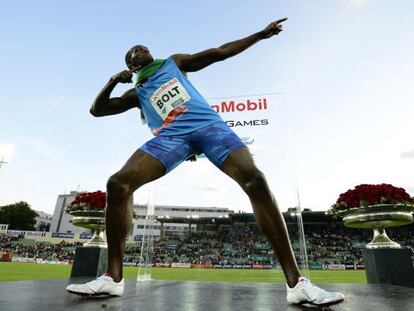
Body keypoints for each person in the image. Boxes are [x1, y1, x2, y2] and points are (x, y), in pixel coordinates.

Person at [66, 18, 344, 307]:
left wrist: (260, 35)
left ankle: (296, 283)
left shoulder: (173, 63)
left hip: (209, 127)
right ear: (132, 66)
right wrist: (113, 81)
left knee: (256, 181)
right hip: (172, 137)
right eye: (136, 51)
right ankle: (113, 278)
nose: (143, 49)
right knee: (118, 184)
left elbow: (220, 52)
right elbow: (96, 110)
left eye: (145, 47)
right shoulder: (137, 93)